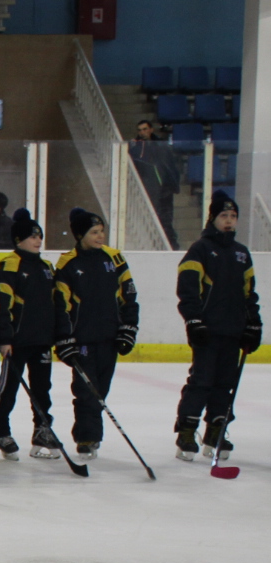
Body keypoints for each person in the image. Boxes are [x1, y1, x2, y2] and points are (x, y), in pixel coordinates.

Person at [173, 191, 260, 461]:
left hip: (232, 332)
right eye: (224, 215)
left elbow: (249, 296)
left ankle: (216, 430)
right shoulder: (200, 250)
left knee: (225, 384)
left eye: (233, 216)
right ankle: (187, 432)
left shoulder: (241, 254)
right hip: (208, 332)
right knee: (201, 382)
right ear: (213, 218)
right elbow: (188, 291)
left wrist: (253, 324)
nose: (229, 221)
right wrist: (194, 320)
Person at [53, 206, 139, 460]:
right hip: (82, 341)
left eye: (102, 231)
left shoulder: (115, 258)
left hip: (109, 338)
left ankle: (89, 433)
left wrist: (128, 328)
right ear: (80, 235)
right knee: (86, 390)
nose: (100, 236)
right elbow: (61, 305)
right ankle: (87, 437)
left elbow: (129, 296)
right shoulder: (68, 263)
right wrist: (64, 338)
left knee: (100, 389)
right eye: (94, 232)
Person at [0, 208, 60, 460]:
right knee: (8, 388)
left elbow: (55, 304)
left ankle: (43, 429)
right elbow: (3, 304)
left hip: (42, 340)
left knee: (43, 389)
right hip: (17, 343)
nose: (38, 240)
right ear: (19, 239)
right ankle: (1, 429)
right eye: (33, 236)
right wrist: (5, 338)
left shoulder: (46, 267)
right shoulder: (11, 264)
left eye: (40, 236)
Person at [130, 119, 183, 248]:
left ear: (151, 129)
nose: (142, 132)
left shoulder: (161, 145)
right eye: (140, 130)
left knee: (166, 220)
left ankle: (172, 246)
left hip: (165, 189)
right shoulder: (136, 146)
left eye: (145, 129)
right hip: (149, 189)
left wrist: (173, 184)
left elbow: (170, 164)